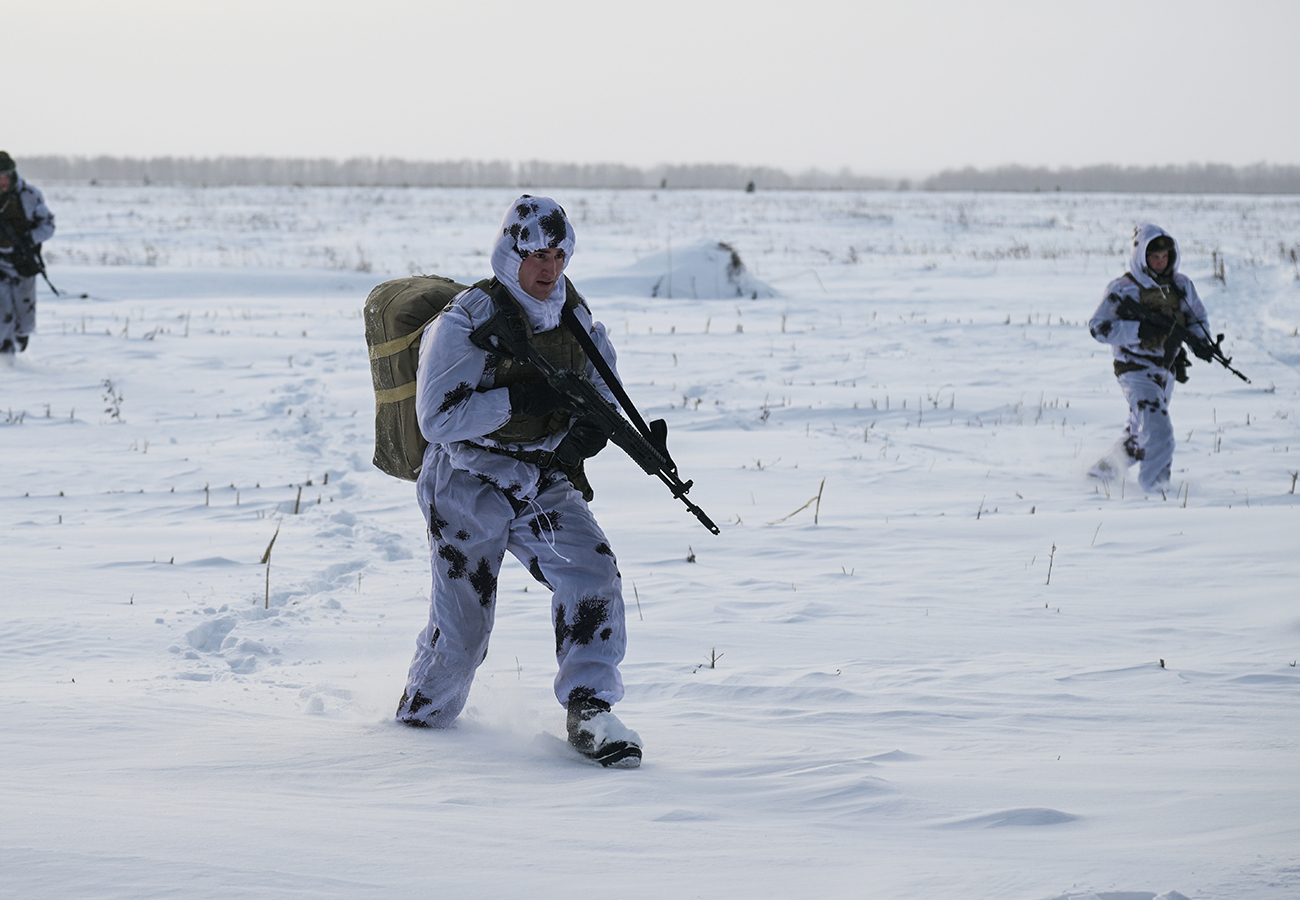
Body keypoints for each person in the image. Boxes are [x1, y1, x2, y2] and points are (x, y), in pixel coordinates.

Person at [395, 195, 641, 768]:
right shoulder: (467, 322)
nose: (548, 268)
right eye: (535, 254)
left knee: (593, 572)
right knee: (464, 631)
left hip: (538, 476)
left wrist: (592, 433)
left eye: (559, 254)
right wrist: (519, 399)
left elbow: (603, 395)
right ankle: (417, 735)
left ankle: (591, 710)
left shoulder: (576, 322)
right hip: (464, 480)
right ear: (510, 251)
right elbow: (437, 418)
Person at [1088, 223, 1212, 492]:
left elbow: (1197, 318)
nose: (1160, 262)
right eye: (1153, 257)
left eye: (1165, 256)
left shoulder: (1181, 286)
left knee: (1139, 436)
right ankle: (1157, 494)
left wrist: (1202, 343)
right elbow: (1098, 327)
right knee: (1158, 431)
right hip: (1133, 369)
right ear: (1141, 256)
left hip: (1165, 370)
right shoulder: (1123, 289)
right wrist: (1137, 330)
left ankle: (1099, 476)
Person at [0, 151, 55, 356]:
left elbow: (48, 225)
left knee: (25, 316)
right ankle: (5, 355)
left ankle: (19, 340)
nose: (1, 182)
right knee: (2, 308)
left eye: (4, 177)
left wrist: (29, 239)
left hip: (23, 262)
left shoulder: (29, 196)